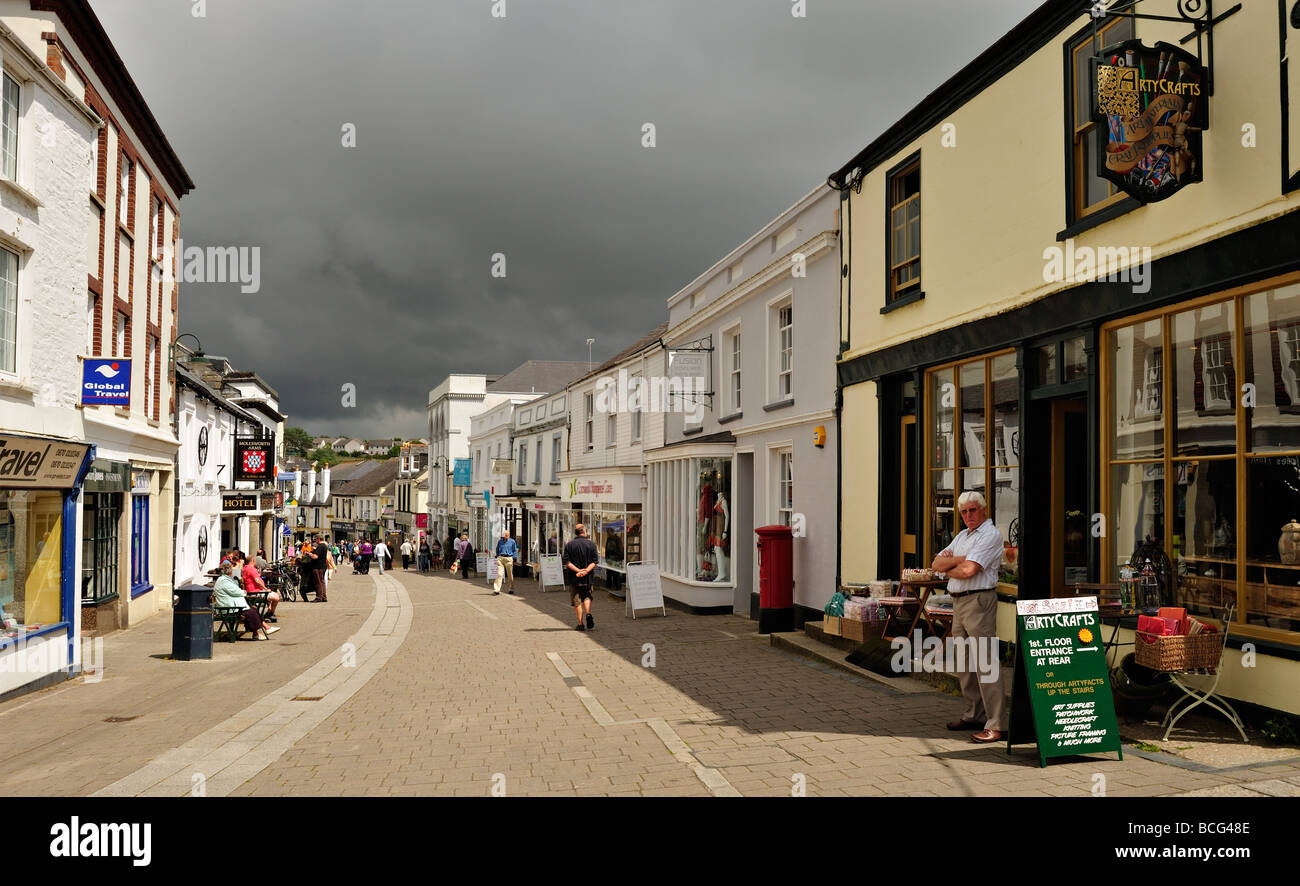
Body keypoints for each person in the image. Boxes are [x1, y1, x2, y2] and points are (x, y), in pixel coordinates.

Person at [931, 490, 1007, 744]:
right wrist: (960, 562)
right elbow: (935, 565)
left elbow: (969, 570)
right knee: (963, 662)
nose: (968, 516)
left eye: (972, 510)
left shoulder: (991, 535)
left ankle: (996, 724)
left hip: (979, 600)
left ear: (984, 510)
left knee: (986, 662)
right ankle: (974, 714)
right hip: (958, 602)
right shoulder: (963, 536)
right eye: (963, 512)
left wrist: (955, 564)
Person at [213, 560, 277, 638]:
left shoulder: (224, 580)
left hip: (229, 606)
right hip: (228, 609)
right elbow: (237, 592)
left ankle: (262, 630)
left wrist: (242, 592)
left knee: (253, 610)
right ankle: (260, 631)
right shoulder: (224, 581)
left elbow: (234, 591)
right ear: (229, 571)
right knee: (251, 612)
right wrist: (243, 592)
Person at [563, 523, 599, 631]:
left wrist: (578, 571)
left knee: (577, 601)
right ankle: (588, 613)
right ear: (584, 531)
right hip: (588, 577)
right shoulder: (591, 544)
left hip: (574, 578)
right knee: (587, 596)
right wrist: (586, 571)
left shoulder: (569, 545)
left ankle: (580, 623)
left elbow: (567, 562)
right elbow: (595, 561)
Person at [239, 549, 280, 623]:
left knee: (274, 595)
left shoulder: (245, 568)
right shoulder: (251, 569)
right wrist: (265, 589)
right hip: (255, 592)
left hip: (254, 591)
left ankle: (269, 612)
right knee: (276, 597)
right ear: (253, 561)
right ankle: (269, 614)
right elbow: (257, 581)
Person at [493, 528, 518, 595]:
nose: (506, 537)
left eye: (507, 536)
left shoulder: (512, 541)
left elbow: (515, 550)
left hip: (509, 558)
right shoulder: (500, 541)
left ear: (509, 535)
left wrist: (513, 558)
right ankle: (497, 589)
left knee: (510, 575)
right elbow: (497, 549)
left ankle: (511, 588)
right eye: (505, 536)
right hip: (501, 558)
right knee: (499, 574)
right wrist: (497, 555)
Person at [310, 534, 330, 603]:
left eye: (316, 539)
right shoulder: (324, 546)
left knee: (318, 582)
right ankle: (324, 597)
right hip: (323, 566)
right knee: (322, 582)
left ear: (318, 539)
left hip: (318, 566)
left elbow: (315, 556)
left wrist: (310, 554)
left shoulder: (320, 546)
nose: (315, 541)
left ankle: (319, 597)